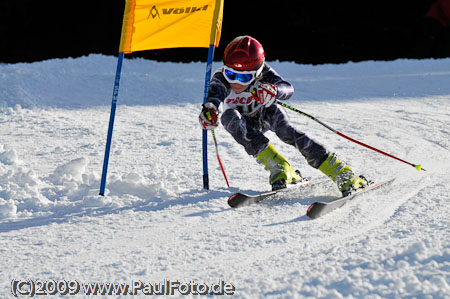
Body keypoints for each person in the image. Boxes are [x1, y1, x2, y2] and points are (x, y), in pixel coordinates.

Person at [199, 35, 367, 195]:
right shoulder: (221, 79)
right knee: (228, 117)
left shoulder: (265, 73)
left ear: (257, 72)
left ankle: (340, 171)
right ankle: (279, 166)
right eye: (231, 74)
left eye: (244, 78)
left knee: (287, 132)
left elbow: (287, 88)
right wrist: (210, 111)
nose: (235, 82)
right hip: (245, 125)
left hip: (266, 114)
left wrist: (274, 90)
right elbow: (215, 97)